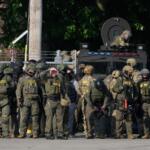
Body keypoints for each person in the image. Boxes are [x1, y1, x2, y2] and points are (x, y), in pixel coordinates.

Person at [111, 66, 136, 139]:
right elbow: (114, 89)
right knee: (119, 118)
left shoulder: (131, 80)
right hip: (121, 101)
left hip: (128, 101)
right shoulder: (120, 79)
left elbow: (134, 90)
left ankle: (129, 134)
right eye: (130, 72)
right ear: (127, 72)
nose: (131, 73)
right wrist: (122, 87)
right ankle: (118, 134)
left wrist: (134, 97)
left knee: (129, 118)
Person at [16, 64, 40, 138]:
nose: (32, 72)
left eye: (33, 71)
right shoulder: (22, 79)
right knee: (24, 118)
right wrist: (19, 100)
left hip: (35, 101)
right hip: (25, 101)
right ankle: (22, 133)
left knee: (35, 118)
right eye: (30, 71)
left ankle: (35, 133)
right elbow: (18, 90)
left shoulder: (36, 79)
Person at [44, 67, 65, 139]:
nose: (53, 73)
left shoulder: (59, 79)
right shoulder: (46, 79)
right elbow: (40, 75)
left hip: (58, 100)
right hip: (50, 100)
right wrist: (48, 70)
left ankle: (60, 133)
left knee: (60, 118)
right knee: (49, 118)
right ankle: (48, 133)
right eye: (52, 72)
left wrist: (57, 72)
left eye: (54, 72)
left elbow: (62, 88)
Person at [79, 65, 95, 138]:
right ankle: (90, 132)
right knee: (90, 116)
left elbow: (78, 88)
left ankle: (86, 131)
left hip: (82, 99)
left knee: (84, 116)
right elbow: (94, 90)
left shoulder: (82, 79)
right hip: (90, 100)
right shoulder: (92, 79)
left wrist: (82, 95)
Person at [138, 69, 150, 139]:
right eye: (143, 74)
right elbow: (137, 93)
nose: (144, 76)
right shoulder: (139, 83)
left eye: (146, 74)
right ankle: (146, 134)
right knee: (145, 119)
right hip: (143, 103)